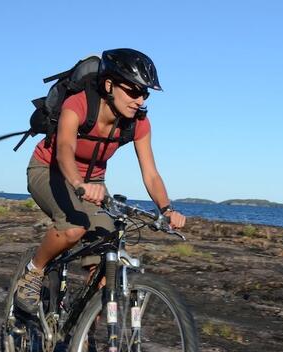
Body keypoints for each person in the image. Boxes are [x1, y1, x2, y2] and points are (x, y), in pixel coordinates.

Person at [14, 48, 186, 314]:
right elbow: (64, 151)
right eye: (132, 91)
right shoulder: (79, 104)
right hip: (49, 170)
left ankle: (79, 338)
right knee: (74, 226)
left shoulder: (139, 123)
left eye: (144, 93)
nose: (139, 100)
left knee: (107, 263)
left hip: (93, 180)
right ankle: (33, 271)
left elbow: (150, 173)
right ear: (109, 84)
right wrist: (80, 185)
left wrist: (166, 209)